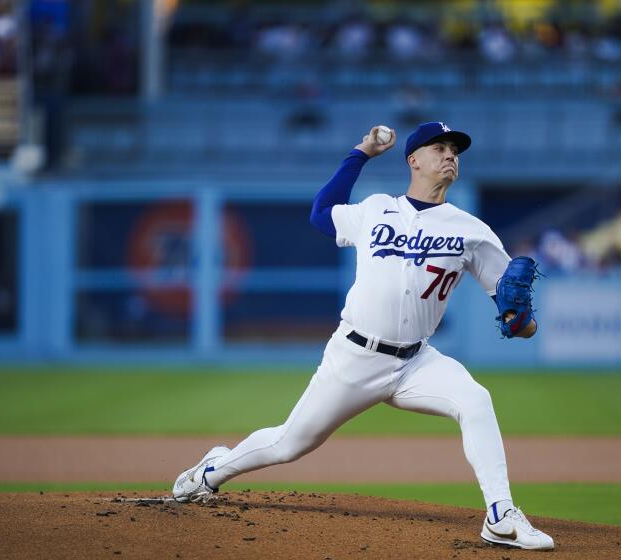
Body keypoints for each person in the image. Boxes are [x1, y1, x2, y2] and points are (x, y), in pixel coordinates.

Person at [172, 122, 553, 551]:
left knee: (475, 400)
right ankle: (211, 471)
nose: (451, 155)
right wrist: (361, 153)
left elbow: (517, 316)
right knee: (289, 444)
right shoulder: (375, 209)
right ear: (413, 160)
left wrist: (522, 323)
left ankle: (500, 514)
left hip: (416, 362)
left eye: (455, 150)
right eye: (440, 147)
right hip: (355, 357)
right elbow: (321, 214)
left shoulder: (473, 231)